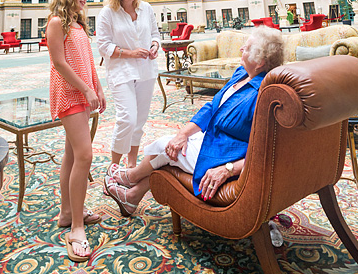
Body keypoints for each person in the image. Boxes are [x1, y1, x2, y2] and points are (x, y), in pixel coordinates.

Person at [103, 26, 284, 220]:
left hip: (223, 155)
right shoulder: (241, 74)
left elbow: (266, 149)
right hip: (212, 139)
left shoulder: (262, 96)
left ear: (260, 63)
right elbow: (212, 107)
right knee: (174, 144)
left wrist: (229, 168)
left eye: (247, 49)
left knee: (167, 148)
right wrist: (184, 134)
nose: (241, 49)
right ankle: (131, 197)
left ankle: (130, 178)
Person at [47, 0, 106, 262]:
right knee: (85, 155)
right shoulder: (56, 23)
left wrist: (99, 88)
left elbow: (87, 61)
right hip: (69, 94)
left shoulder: (78, 25)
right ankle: (76, 227)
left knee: (71, 156)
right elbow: (59, 63)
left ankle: (67, 212)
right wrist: (85, 88)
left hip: (83, 92)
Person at [96, 0, 160, 169]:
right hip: (121, 71)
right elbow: (103, 46)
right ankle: (113, 166)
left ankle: (131, 164)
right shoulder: (108, 13)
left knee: (139, 121)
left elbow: (156, 34)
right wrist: (130, 53)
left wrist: (155, 46)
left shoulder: (146, 8)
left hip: (146, 71)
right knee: (127, 119)